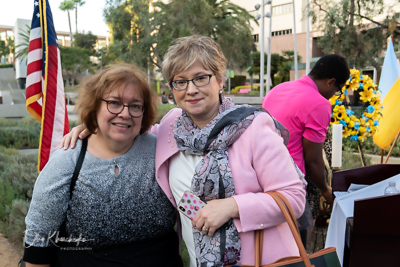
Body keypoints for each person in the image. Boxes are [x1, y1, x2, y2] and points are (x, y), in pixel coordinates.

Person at [62, 35, 306, 266]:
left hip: (263, 260)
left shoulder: (253, 128)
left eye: (201, 77)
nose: (191, 90)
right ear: (172, 87)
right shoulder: (171, 128)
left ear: (220, 80)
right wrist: (94, 127)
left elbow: (293, 198)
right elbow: (132, 128)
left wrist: (233, 206)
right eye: (181, 81)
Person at [23, 64, 182, 267]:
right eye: (114, 103)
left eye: (135, 106)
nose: (125, 113)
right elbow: (38, 241)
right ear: (95, 105)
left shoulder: (164, 149)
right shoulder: (67, 161)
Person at [262, 54, 350, 245]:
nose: (334, 94)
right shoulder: (319, 103)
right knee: (297, 247)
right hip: (290, 183)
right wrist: (326, 189)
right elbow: (313, 160)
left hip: (261, 177)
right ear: (331, 82)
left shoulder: (278, 89)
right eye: (337, 90)